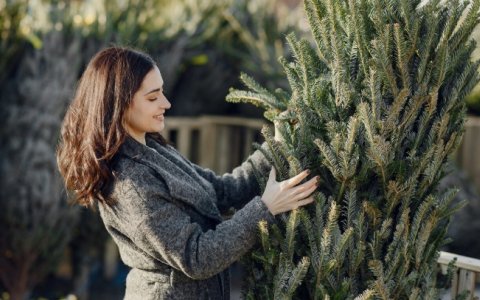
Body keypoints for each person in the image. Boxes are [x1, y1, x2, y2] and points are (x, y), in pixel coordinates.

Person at [56, 46, 318, 299]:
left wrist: (276, 146)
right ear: (119, 103)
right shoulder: (130, 184)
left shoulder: (154, 149)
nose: (166, 103)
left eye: (162, 92)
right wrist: (265, 208)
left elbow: (223, 190)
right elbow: (197, 257)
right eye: (152, 97)